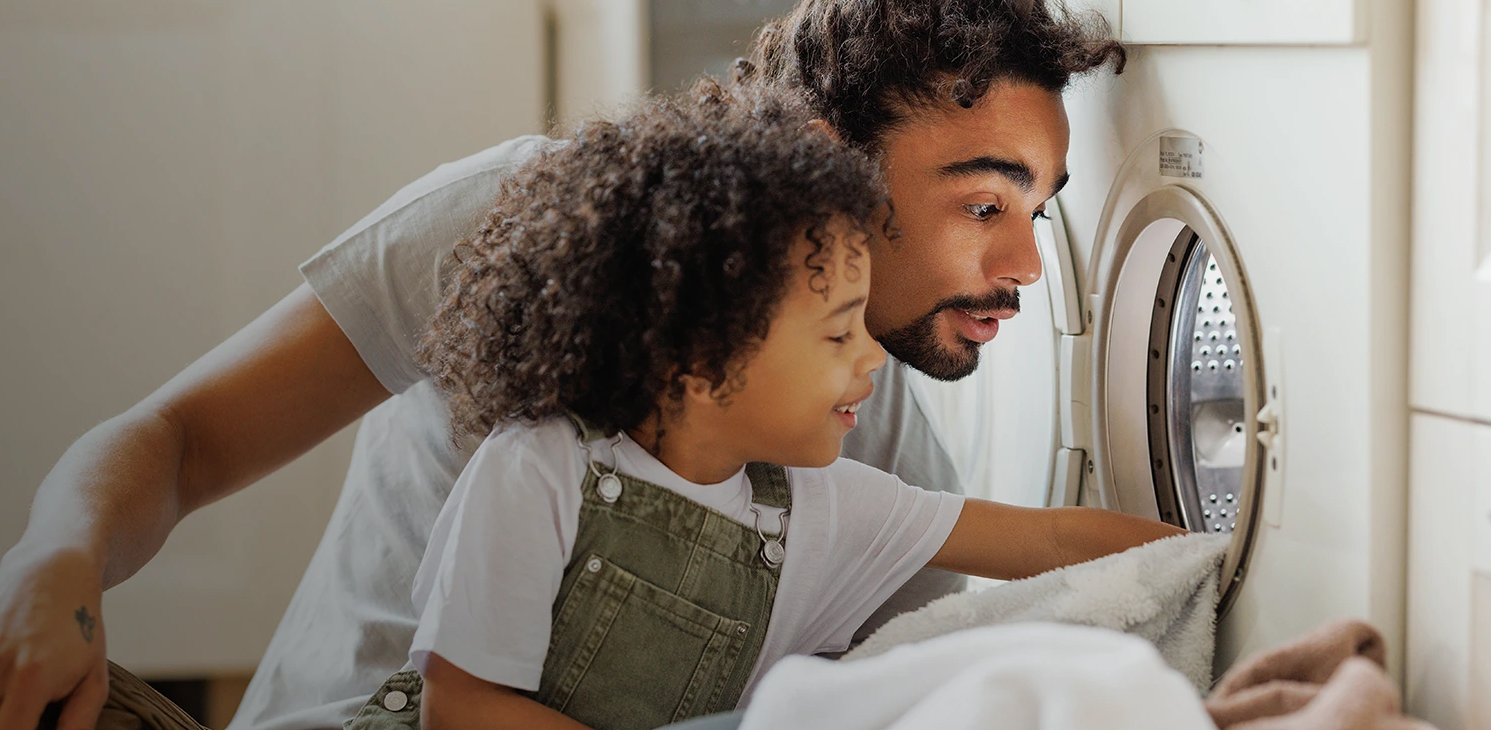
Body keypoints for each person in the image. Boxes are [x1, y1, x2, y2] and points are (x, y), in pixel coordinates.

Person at [0, 2, 1128, 730]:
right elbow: (185, 439)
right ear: (828, 159)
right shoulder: (529, 222)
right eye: (982, 205)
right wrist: (47, 565)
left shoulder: (866, 418)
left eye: (1047, 209)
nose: (1026, 263)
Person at [350, 82, 1181, 730]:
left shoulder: (823, 506)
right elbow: (461, 709)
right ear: (704, 356)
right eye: (836, 334)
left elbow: (1052, 537)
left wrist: (1222, 557)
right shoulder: (541, 468)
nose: (870, 358)